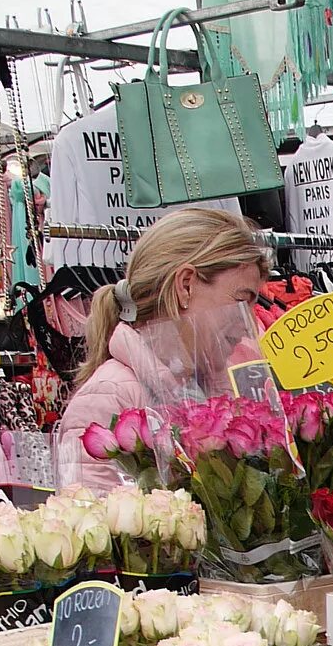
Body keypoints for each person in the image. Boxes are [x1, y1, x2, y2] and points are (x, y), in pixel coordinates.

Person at [58, 207, 267, 489]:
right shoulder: (108, 398)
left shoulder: (216, 383)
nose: (249, 325)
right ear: (185, 285)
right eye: (243, 300)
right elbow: (90, 526)